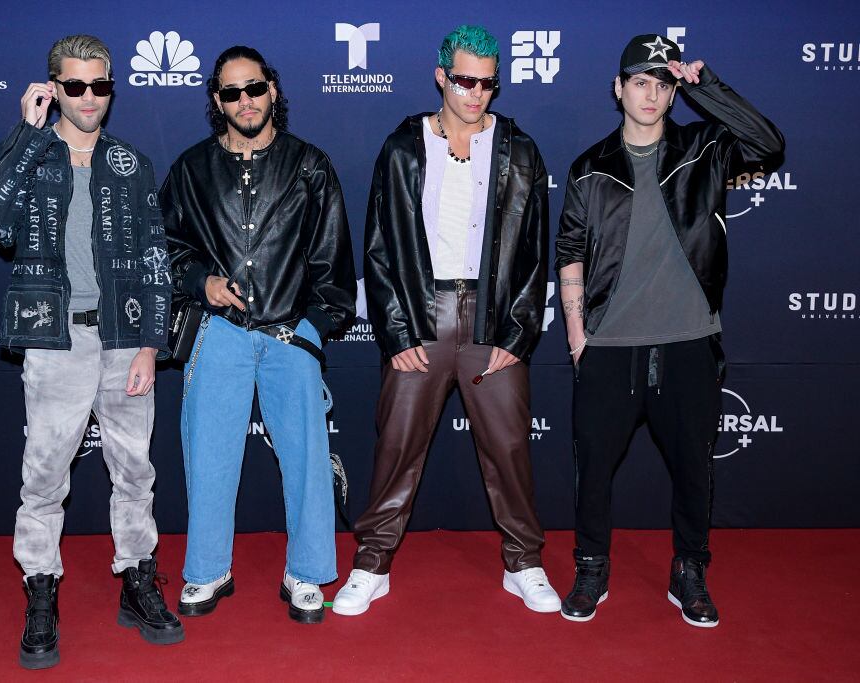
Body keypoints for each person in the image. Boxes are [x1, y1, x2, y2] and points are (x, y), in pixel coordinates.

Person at [555, 34, 784, 626]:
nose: (651, 94)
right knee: (594, 470)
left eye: (662, 84)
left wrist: (707, 86)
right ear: (618, 88)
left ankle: (689, 572)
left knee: (692, 467)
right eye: (640, 82)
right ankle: (591, 567)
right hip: (609, 345)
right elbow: (571, 250)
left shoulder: (705, 148)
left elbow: (768, 143)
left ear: (673, 92)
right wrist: (578, 334)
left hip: (688, 341)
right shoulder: (590, 168)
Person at [332, 25, 558, 617]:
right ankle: (372, 563)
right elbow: (379, 247)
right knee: (397, 446)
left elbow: (535, 249)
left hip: (492, 316)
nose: (476, 92)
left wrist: (518, 331)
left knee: (510, 448)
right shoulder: (405, 146)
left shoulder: (520, 149)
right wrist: (398, 331)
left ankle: (525, 562)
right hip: (423, 313)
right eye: (464, 80)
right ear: (441, 76)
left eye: (487, 82)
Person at [0, 34, 180, 669]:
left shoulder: (132, 164)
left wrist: (152, 343)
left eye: (100, 86)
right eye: (75, 86)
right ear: (52, 87)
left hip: (124, 336)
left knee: (135, 469)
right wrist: (26, 133)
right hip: (53, 334)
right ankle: (41, 589)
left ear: (111, 88)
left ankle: (138, 579)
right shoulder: (32, 157)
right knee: (44, 474)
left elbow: (154, 259)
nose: (89, 98)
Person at [161, 46, 356, 624]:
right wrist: (201, 281)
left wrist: (312, 331)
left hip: (290, 333)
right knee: (210, 456)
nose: (244, 101)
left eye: (254, 88)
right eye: (231, 93)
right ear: (217, 102)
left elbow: (333, 261)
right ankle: (206, 569)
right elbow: (165, 250)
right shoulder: (191, 169)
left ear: (273, 89)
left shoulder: (310, 166)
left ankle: (309, 571)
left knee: (307, 460)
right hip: (218, 332)